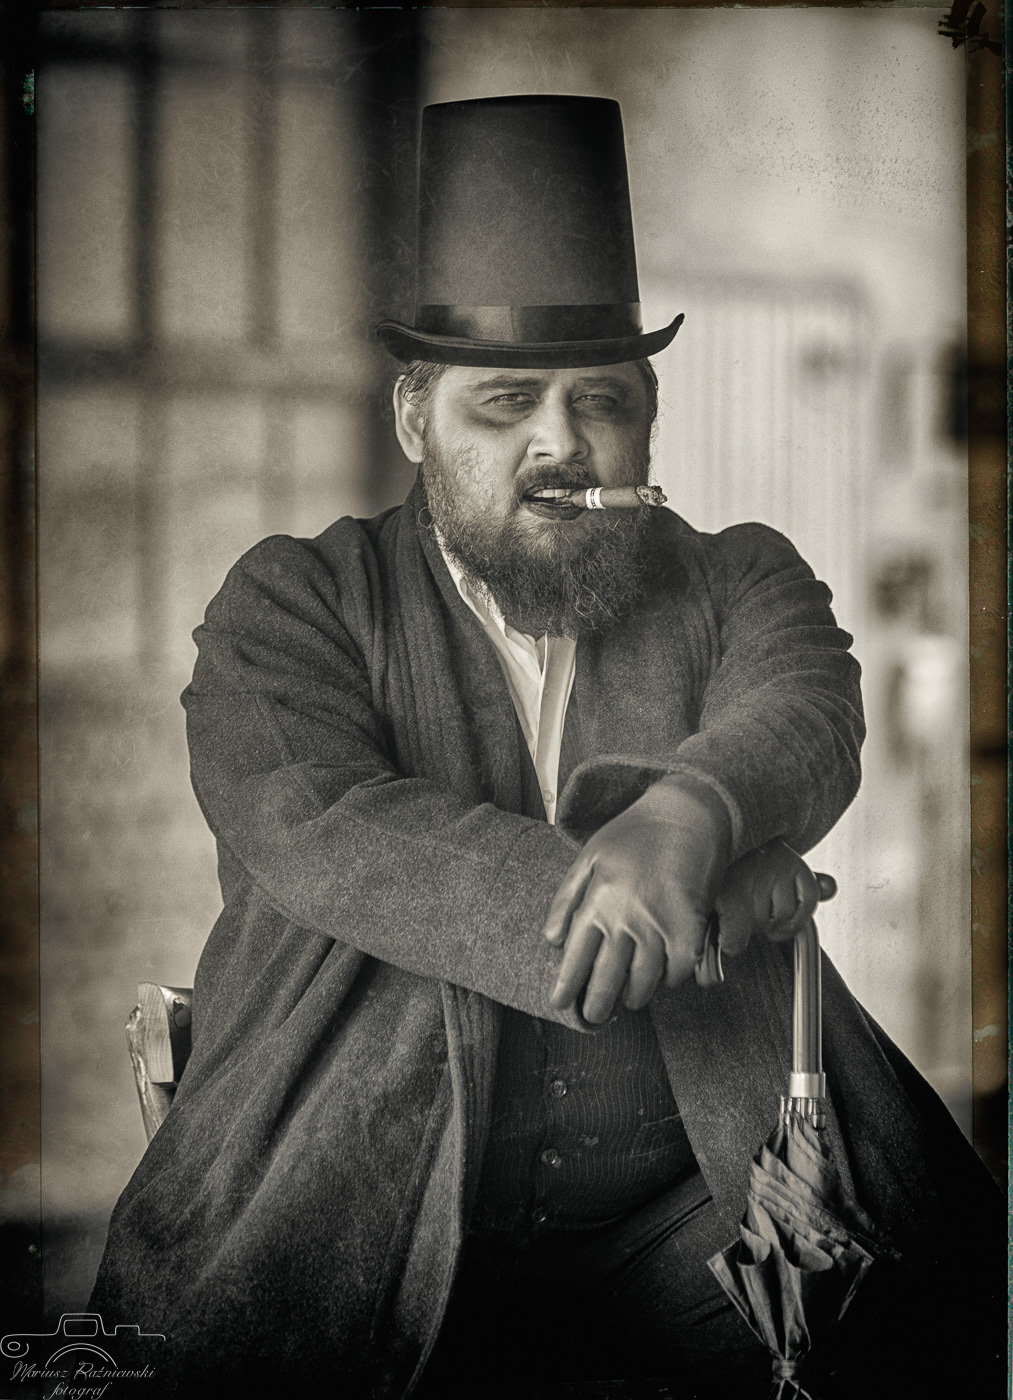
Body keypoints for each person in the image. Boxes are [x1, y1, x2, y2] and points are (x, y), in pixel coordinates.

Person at [90, 96, 1002, 1398]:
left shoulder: (736, 578)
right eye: (505, 403)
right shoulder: (293, 602)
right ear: (415, 420)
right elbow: (326, 825)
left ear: (646, 425)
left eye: (601, 403)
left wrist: (686, 819)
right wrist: (692, 899)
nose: (560, 442)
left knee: (920, 1335)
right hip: (367, 1218)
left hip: (694, 1212)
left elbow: (805, 706)